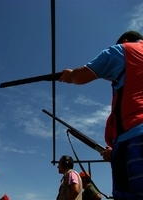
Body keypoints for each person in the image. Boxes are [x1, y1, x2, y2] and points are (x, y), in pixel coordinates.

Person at [59, 31, 143, 200]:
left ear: (125, 41)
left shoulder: (123, 50)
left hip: (134, 139)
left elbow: (80, 76)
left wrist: (70, 75)